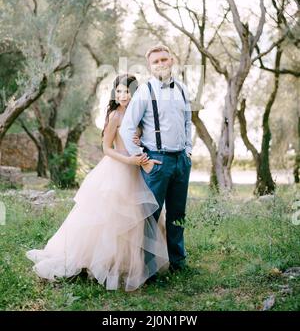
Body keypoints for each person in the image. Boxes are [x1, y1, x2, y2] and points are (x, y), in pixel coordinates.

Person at [26, 74, 169, 292]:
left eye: (127, 91)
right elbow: (107, 149)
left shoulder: (140, 115)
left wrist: (140, 144)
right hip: (118, 169)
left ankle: (130, 263)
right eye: (119, 91)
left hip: (137, 169)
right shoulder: (114, 115)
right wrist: (128, 159)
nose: (123, 95)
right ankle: (99, 262)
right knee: (111, 217)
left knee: (136, 217)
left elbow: (145, 139)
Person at [119, 45, 192, 273]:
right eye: (155, 61)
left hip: (181, 161)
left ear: (171, 60)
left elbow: (188, 123)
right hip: (158, 162)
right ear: (150, 66)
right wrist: (143, 160)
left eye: (164, 59)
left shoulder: (182, 89)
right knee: (151, 215)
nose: (160, 64)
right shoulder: (144, 91)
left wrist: (188, 151)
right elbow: (127, 128)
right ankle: (148, 268)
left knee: (178, 214)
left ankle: (177, 262)